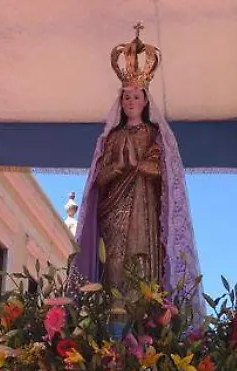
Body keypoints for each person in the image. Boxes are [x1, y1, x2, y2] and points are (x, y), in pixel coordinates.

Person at [71, 25, 202, 308]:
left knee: (141, 264)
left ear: (145, 101)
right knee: (114, 264)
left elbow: (165, 174)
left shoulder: (155, 135)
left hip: (145, 209)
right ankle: (113, 317)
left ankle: (145, 319)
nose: (131, 101)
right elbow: (101, 178)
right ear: (121, 102)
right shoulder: (112, 137)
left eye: (136, 97)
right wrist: (119, 166)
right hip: (114, 213)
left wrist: (142, 166)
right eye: (126, 97)